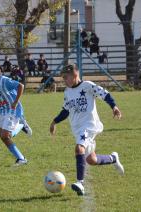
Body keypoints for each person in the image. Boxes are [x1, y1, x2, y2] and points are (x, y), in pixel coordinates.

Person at [49, 63, 125, 196]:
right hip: (77, 129)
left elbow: (104, 94)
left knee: (79, 148)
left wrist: (114, 106)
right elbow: (66, 111)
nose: (64, 80)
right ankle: (113, 158)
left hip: (90, 125)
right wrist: (54, 121)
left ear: (74, 75)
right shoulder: (67, 92)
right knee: (91, 160)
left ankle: (80, 183)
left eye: (66, 77)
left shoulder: (87, 86)